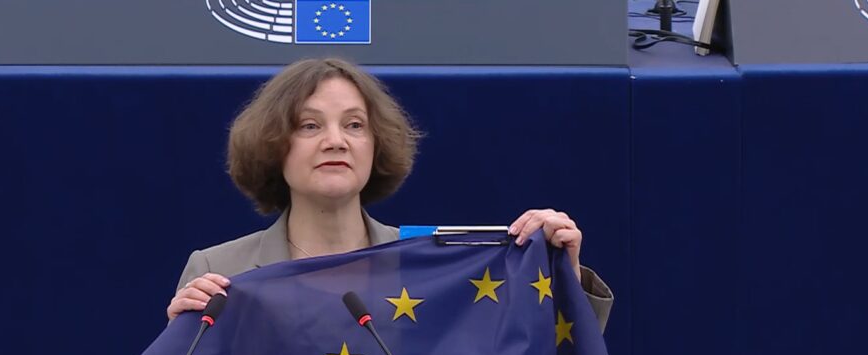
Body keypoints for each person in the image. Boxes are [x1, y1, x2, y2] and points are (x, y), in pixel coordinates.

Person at [167, 58, 613, 330]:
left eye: (354, 125)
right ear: (273, 146)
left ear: (376, 146)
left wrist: (563, 275)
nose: (336, 141)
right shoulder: (218, 271)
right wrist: (180, 341)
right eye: (309, 125)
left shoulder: (435, 265)